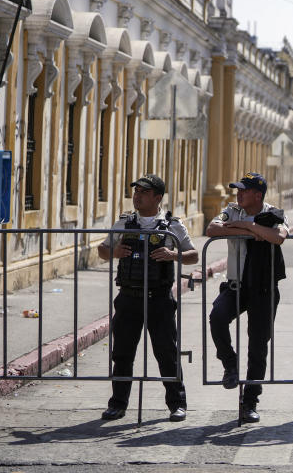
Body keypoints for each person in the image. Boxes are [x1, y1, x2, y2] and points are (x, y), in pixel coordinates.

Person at [98, 174, 198, 421]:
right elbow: (102, 250)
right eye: (136, 191)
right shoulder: (123, 223)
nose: (138, 195)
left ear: (157, 197)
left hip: (159, 298)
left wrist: (173, 255)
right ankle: (118, 404)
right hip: (129, 297)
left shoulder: (172, 225)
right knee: (122, 353)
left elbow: (193, 255)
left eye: (144, 192)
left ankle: (177, 404)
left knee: (166, 353)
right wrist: (115, 252)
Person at [207, 173, 289, 423]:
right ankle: (230, 365)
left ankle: (250, 401)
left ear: (258, 194)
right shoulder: (231, 211)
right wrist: (246, 226)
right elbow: (211, 229)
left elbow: (279, 236)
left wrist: (252, 227)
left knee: (258, 345)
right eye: (237, 190)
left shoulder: (273, 213)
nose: (238, 195)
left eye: (244, 191)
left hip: (263, 288)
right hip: (235, 285)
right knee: (217, 317)